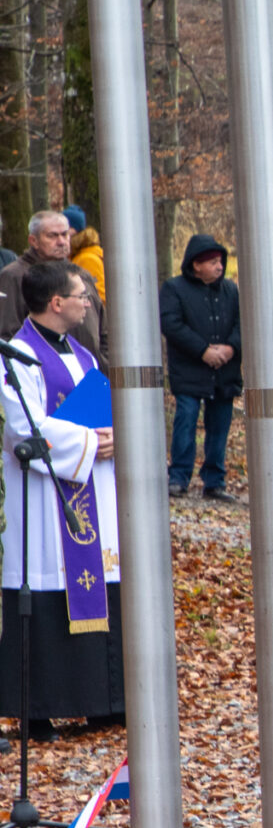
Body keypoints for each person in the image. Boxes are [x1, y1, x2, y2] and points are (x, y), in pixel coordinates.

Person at [0, 263, 121, 735]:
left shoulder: (84, 355)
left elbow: (100, 407)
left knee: (99, 584)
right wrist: (92, 440)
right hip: (44, 501)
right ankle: (39, 710)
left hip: (91, 489)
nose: (87, 302)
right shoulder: (14, 358)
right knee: (48, 592)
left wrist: (112, 435)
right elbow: (22, 429)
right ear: (56, 303)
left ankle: (102, 699)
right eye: (80, 295)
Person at [159, 233, 241, 502]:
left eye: (221, 261)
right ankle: (179, 477)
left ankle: (215, 481)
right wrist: (203, 350)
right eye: (213, 262)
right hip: (190, 369)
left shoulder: (231, 289)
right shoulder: (174, 288)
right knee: (186, 421)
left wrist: (230, 348)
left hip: (225, 371)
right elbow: (171, 324)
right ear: (196, 265)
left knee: (219, 426)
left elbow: (244, 322)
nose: (220, 267)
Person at [0, 212, 98, 360]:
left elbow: (102, 327)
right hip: (43, 373)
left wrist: (103, 362)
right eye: (52, 236)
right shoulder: (14, 276)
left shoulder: (81, 275)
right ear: (34, 240)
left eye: (65, 234)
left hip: (90, 372)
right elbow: (7, 333)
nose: (61, 241)